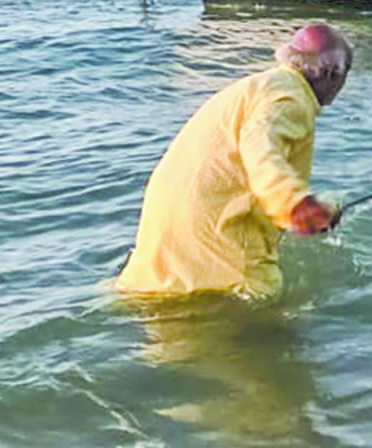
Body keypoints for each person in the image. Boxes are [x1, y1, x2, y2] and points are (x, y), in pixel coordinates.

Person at [115, 23, 351, 300]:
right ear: (332, 74)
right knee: (268, 323)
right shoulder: (292, 99)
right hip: (217, 247)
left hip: (164, 239)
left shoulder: (260, 86)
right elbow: (258, 144)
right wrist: (293, 203)